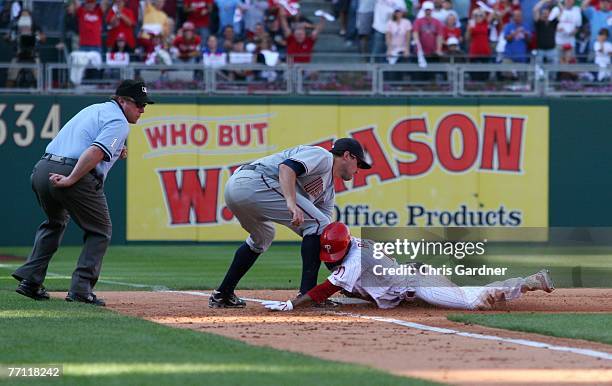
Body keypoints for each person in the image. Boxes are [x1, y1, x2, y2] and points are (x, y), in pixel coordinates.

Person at [11, 80, 154, 306]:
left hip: (43, 169)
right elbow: (96, 150)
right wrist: (71, 179)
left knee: (55, 222)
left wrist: (116, 147)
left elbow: (84, 141)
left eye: (145, 104)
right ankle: (81, 289)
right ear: (122, 100)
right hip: (71, 171)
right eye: (138, 103)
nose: (142, 109)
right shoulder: (118, 121)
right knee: (100, 230)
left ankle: (30, 281)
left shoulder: (93, 109)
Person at [209, 139, 372, 308]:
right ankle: (307, 294)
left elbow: (323, 237)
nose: (358, 170)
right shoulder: (323, 157)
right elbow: (286, 168)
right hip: (253, 181)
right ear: (347, 155)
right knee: (318, 223)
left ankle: (223, 294)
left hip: (236, 190)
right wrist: (291, 202)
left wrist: (343, 273)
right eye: (358, 163)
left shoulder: (328, 192)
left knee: (263, 237)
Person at [262, 222, 555, 311]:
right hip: (409, 279)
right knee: (356, 296)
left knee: (472, 301)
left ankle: (530, 281)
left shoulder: (352, 259)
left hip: (418, 282)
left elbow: (325, 289)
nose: (332, 259)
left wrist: (292, 304)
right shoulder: (356, 244)